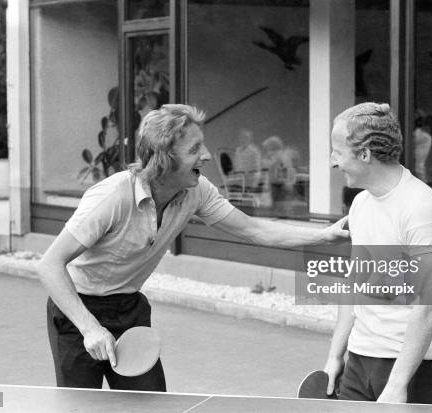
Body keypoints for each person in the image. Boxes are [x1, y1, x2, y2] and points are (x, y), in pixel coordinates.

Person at [38, 104, 349, 391]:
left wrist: (325, 236)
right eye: (194, 149)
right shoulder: (111, 198)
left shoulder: (196, 191)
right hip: (76, 313)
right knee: (78, 408)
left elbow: (255, 230)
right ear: (164, 158)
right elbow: (50, 264)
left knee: (150, 408)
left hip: (129, 310)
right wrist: (90, 328)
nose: (208, 156)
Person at [323, 102, 432, 405]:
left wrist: (397, 384)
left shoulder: (421, 209)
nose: (333, 162)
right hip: (360, 361)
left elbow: (427, 306)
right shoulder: (360, 204)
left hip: (416, 367)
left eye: (338, 152)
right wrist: (335, 356)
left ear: (365, 154)